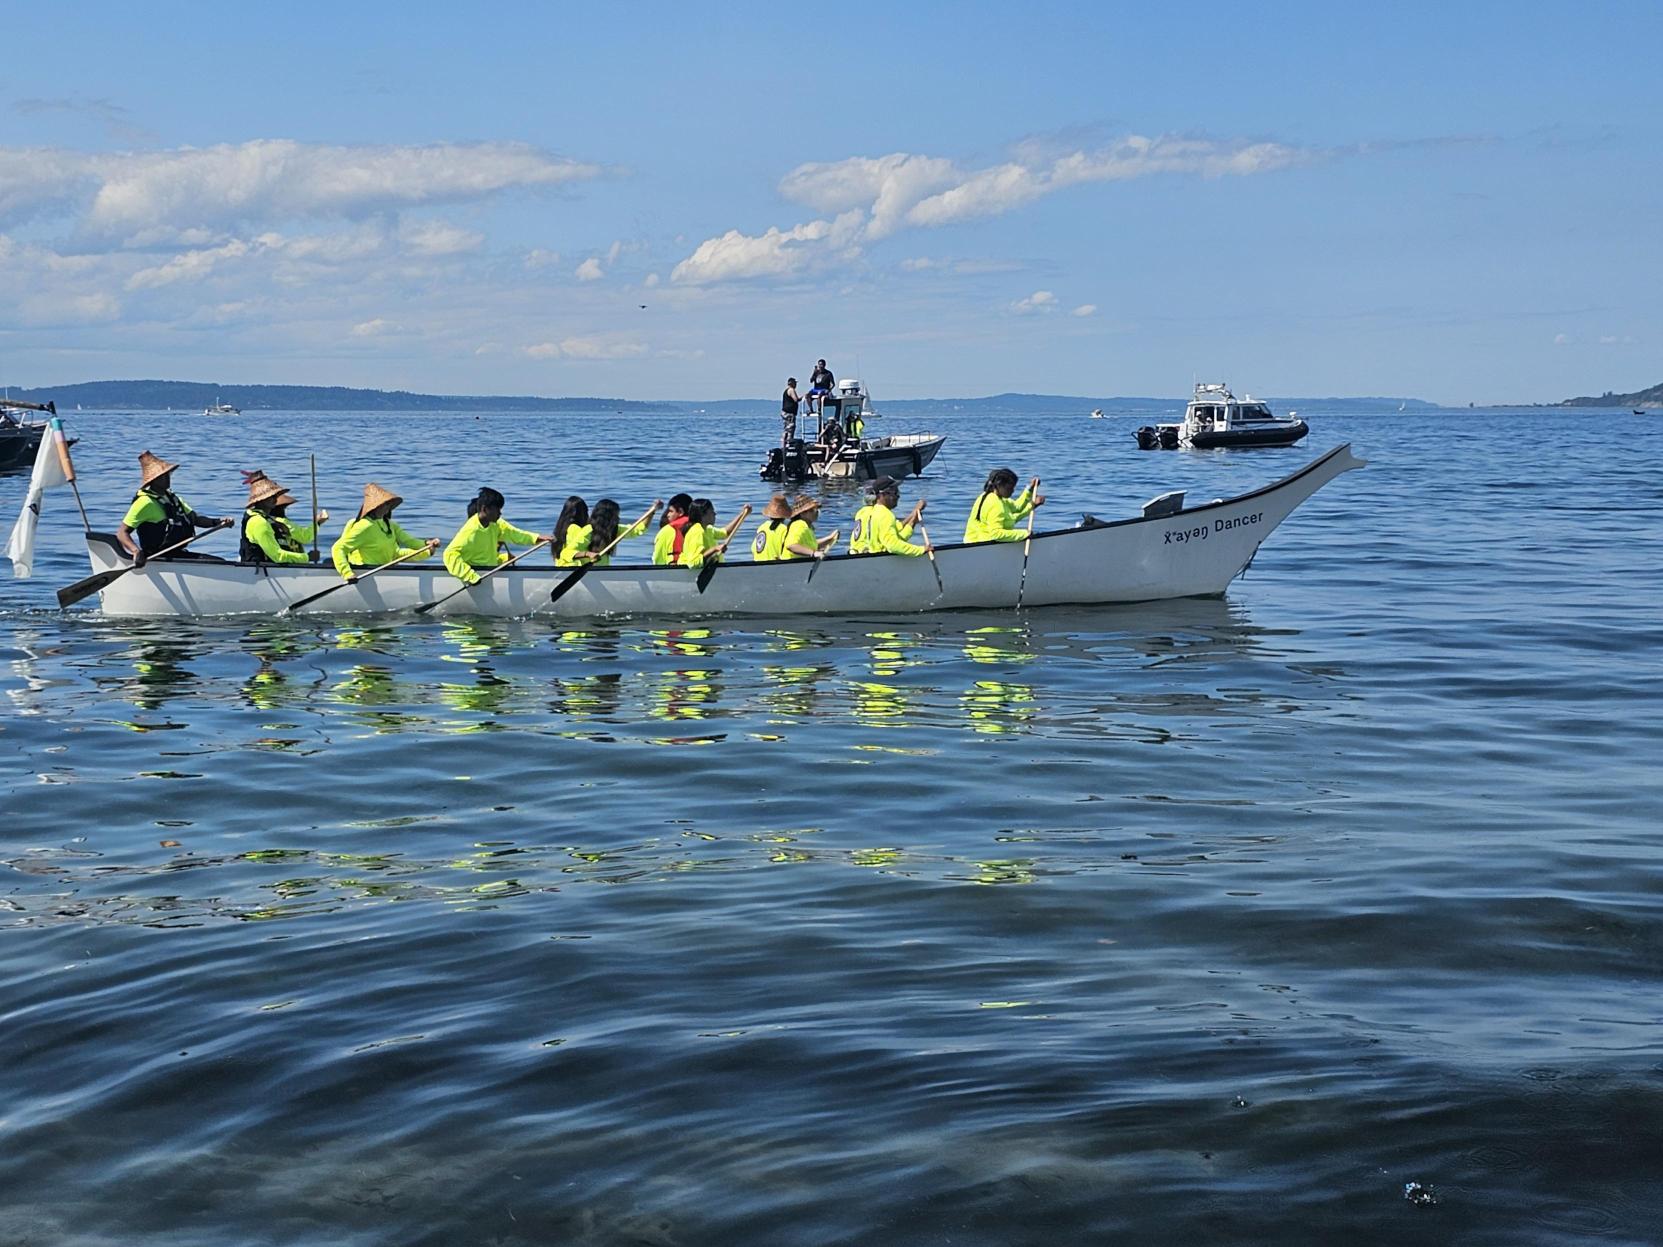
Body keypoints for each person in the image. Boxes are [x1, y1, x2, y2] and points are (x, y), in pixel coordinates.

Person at [117, 451, 231, 565]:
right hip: (157, 557)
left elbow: (195, 519)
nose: (167, 478)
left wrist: (218, 522)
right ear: (153, 480)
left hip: (176, 553)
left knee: (220, 561)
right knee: (218, 563)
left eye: (168, 474)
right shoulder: (144, 502)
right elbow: (122, 533)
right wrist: (136, 551)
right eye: (162, 476)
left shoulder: (172, 498)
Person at [443, 486, 552, 584]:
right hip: (477, 577)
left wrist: (537, 538)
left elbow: (515, 534)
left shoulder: (496, 523)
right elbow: (449, 554)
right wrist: (470, 576)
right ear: (485, 509)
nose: (500, 513)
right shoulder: (470, 530)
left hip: (490, 571)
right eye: (498, 510)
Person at [331, 482, 438, 580]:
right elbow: (338, 548)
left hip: (384, 574)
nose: (387, 508)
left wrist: (427, 547)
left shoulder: (390, 525)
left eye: (388, 505)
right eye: (384, 504)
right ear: (374, 507)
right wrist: (347, 573)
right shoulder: (364, 526)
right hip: (366, 574)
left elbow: (403, 547)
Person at [240, 474, 317, 565]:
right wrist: (307, 557)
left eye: (275, 496)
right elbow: (277, 555)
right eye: (271, 496)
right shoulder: (259, 522)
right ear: (261, 500)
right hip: (262, 573)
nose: (275, 499)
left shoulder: (267, 519)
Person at [851, 476, 930, 557]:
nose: (898, 496)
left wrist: (914, 517)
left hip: (857, 556)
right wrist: (921, 550)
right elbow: (893, 545)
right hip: (876, 560)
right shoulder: (884, 514)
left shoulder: (863, 512)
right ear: (882, 495)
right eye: (895, 492)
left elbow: (897, 534)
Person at [963, 468, 1046, 543]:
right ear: (999, 485)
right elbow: (996, 534)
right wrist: (1025, 534)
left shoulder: (996, 498)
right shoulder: (995, 504)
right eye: (1010, 488)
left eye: (1013, 487)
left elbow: (1017, 508)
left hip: (977, 544)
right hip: (980, 546)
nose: (1013, 491)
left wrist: (1030, 491)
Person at [677, 498, 746, 567]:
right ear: (703, 515)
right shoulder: (696, 532)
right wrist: (714, 549)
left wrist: (742, 515)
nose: (715, 514)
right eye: (712, 511)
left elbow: (726, 532)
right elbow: (693, 563)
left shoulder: (708, 529)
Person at [652, 493, 695, 565]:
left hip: (672, 570)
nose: (668, 514)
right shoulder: (699, 526)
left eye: (671, 511)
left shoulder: (667, 530)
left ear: (680, 512)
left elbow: (658, 560)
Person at [780, 377, 800, 448]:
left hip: (785, 412)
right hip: (789, 413)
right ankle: (789, 445)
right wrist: (803, 397)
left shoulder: (786, 391)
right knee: (790, 429)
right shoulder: (791, 390)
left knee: (786, 429)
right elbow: (796, 399)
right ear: (792, 383)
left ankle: (783, 445)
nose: (796, 385)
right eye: (795, 383)